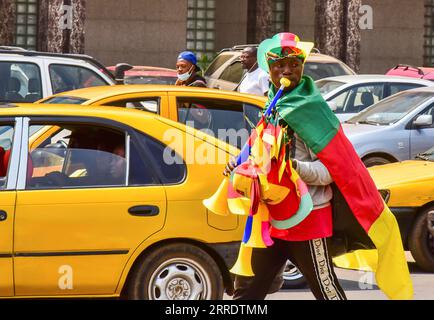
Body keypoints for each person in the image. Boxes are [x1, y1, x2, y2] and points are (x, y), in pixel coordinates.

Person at [224, 33, 347, 300]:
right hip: (271, 216)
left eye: (293, 64)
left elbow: (329, 173)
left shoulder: (313, 111)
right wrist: (240, 166)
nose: (287, 70)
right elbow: (261, 156)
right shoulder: (271, 106)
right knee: (246, 293)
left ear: (303, 67)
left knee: (327, 292)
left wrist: (291, 166)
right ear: (269, 72)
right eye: (279, 65)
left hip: (309, 217)